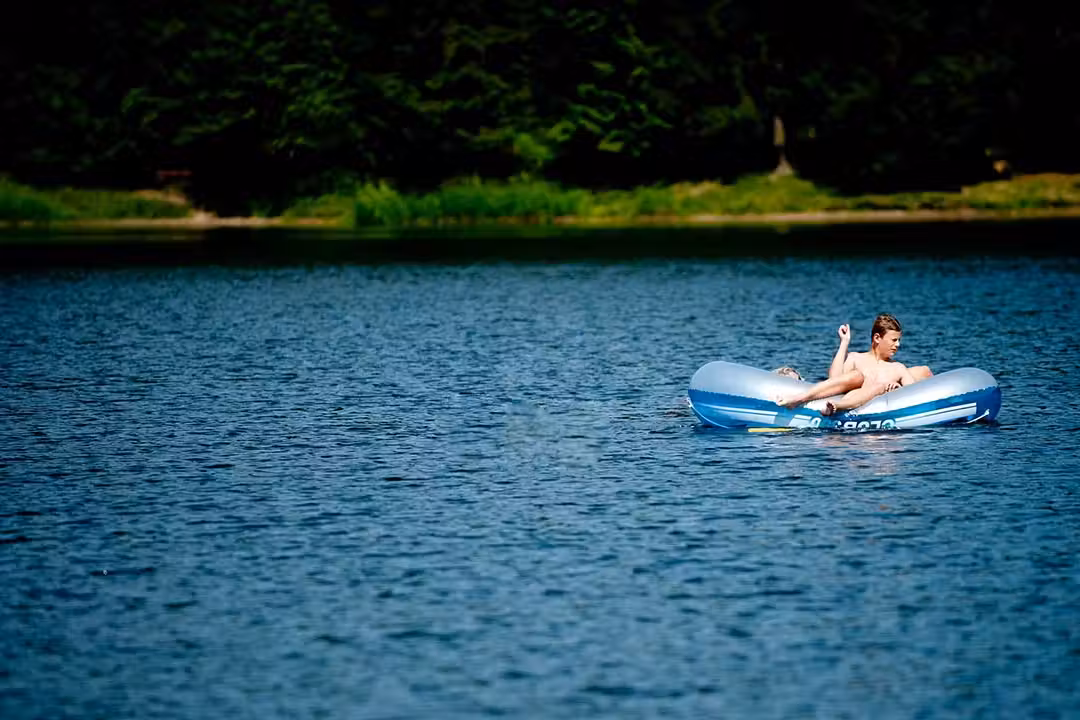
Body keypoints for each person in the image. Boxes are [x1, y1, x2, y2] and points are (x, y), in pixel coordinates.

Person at [778, 314, 933, 416]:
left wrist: (898, 389)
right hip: (844, 402)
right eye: (894, 340)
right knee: (857, 376)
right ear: (877, 338)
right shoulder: (856, 358)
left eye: (899, 340)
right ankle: (798, 399)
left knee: (881, 385)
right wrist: (844, 343)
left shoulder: (898, 368)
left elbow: (914, 396)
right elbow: (834, 379)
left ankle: (836, 407)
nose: (898, 345)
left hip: (865, 412)